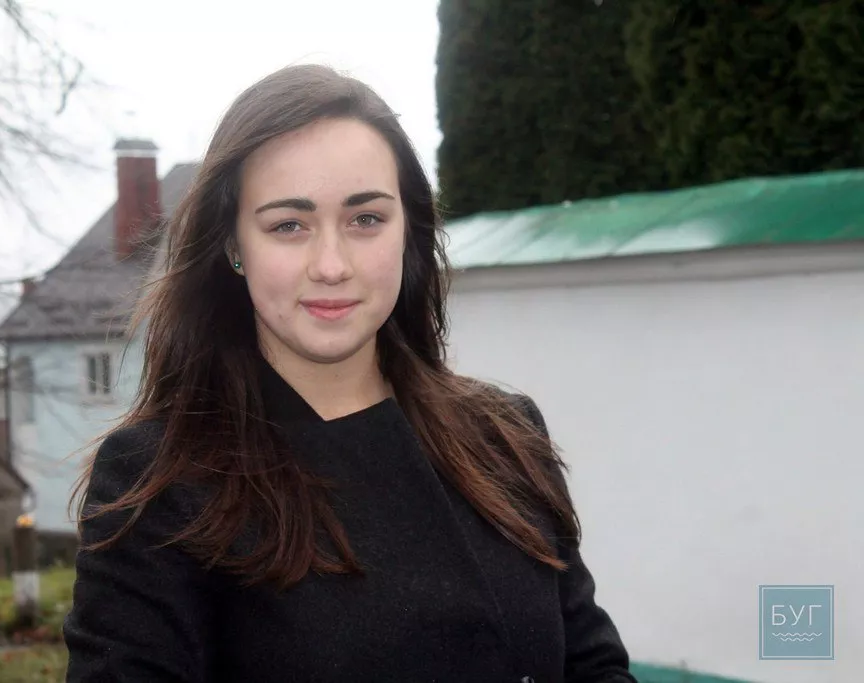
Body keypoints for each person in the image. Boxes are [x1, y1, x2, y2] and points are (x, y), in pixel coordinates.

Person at [63, 63, 636, 683]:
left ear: (408, 232)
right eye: (288, 225)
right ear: (233, 246)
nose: (331, 265)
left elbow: (593, 665)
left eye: (366, 219)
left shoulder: (505, 434)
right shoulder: (161, 481)